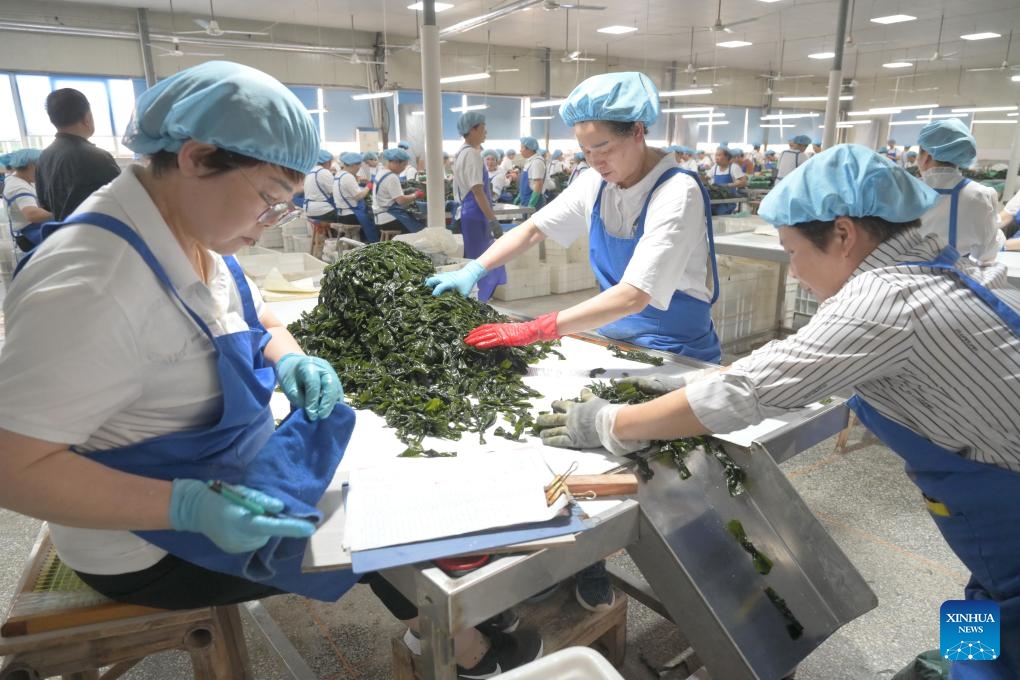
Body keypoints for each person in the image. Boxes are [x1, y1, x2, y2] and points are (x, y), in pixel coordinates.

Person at [0, 61, 542, 679]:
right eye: (267, 202)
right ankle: (460, 647)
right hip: (148, 539)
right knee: (379, 534)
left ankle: (458, 615)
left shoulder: (184, 227)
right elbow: (12, 468)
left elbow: (260, 322)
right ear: (198, 157)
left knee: (390, 489)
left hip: (227, 468)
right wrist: (184, 508)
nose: (267, 227)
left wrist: (292, 358)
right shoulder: (90, 284)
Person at [536, 144, 1020, 680]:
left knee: (1003, 637)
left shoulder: (885, 300)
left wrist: (609, 423)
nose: (791, 270)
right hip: (990, 523)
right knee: (984, 594)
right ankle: (958, 664)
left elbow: (746, 395)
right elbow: (785, 364)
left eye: (792, 251)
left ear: (842, 234)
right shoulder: (936, 265)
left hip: (1007, 515)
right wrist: (696, 380)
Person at [425, 71, 721, 612]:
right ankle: (589, 560)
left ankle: (707, 584)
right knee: (583, 450)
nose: (594, 161)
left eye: (602, 147)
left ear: (637, 132)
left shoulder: (676, 192)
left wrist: (537, 326)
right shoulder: (598, 182)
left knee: (678, 477)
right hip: (618, 341)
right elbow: (534, 228)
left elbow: (635, 293)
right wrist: (476, 266)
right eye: (584, 151)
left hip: (676, 353)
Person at [916, 119, 1003, 263]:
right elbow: (986, 255)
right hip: (956, 279)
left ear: (926, 156)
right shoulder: (981, 195)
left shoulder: (905, 191)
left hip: (903, 277)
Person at [35, 88, 121, 222]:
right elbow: (124, 200)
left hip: (64, 235)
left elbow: (45, 206)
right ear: (87, 118)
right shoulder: (96, 157)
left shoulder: (44, 157)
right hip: (99, 235)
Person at [452, 111, 507, 301]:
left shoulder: (461, 153)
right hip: (476, 214)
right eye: (483, 128)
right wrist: (492, 219)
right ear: (473, 129)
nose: (486, 132)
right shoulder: (473, 155)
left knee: (476, 258)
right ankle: (480, 298)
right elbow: (477, 190)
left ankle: (476, 298)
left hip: (469, 213)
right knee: (484, 260)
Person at [1, 148, 54, 254]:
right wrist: (56, 213)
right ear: (31, 166)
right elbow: (32, 214)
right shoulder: (19, 187)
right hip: (29, 235)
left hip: (25, 232)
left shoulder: (15, 179)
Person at [373, 148, 424, 234]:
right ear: (395, 162)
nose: (403, 169)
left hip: (379, 218)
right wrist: (415, 195)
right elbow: (401, 200)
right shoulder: (391, 176)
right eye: (403, 165)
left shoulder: (381, 172)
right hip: (389, 219)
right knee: (420, 233)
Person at [333, 151, 377, 243]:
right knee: (374, 223)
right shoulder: (348, 177)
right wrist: (369, 186)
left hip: (342, 214)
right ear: (352, 165)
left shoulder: (338, 175)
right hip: (352, 215)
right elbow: (359, 196)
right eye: (358, 166)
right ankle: (372, 244)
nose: (358, 169)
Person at [707, 146, 747, 216]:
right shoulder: (715, 167)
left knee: (719, 214)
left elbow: (743, 182)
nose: (716, 157)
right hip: (716, 199)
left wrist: (728, 185)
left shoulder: (733, 167)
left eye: (719, 155)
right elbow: (706, 178)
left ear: (727, 157)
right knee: (707, 211)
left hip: (728, 201)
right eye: (716, 155)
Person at [515, 136, 546, 210]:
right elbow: (528, 182)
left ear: (529, 149)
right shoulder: (529, 161)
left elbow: (538, 184)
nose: (520, 150)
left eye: (522, 148)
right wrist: (520, 196)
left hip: (534, 200)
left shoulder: (537, 162)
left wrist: (532, 203)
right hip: (525, 198)